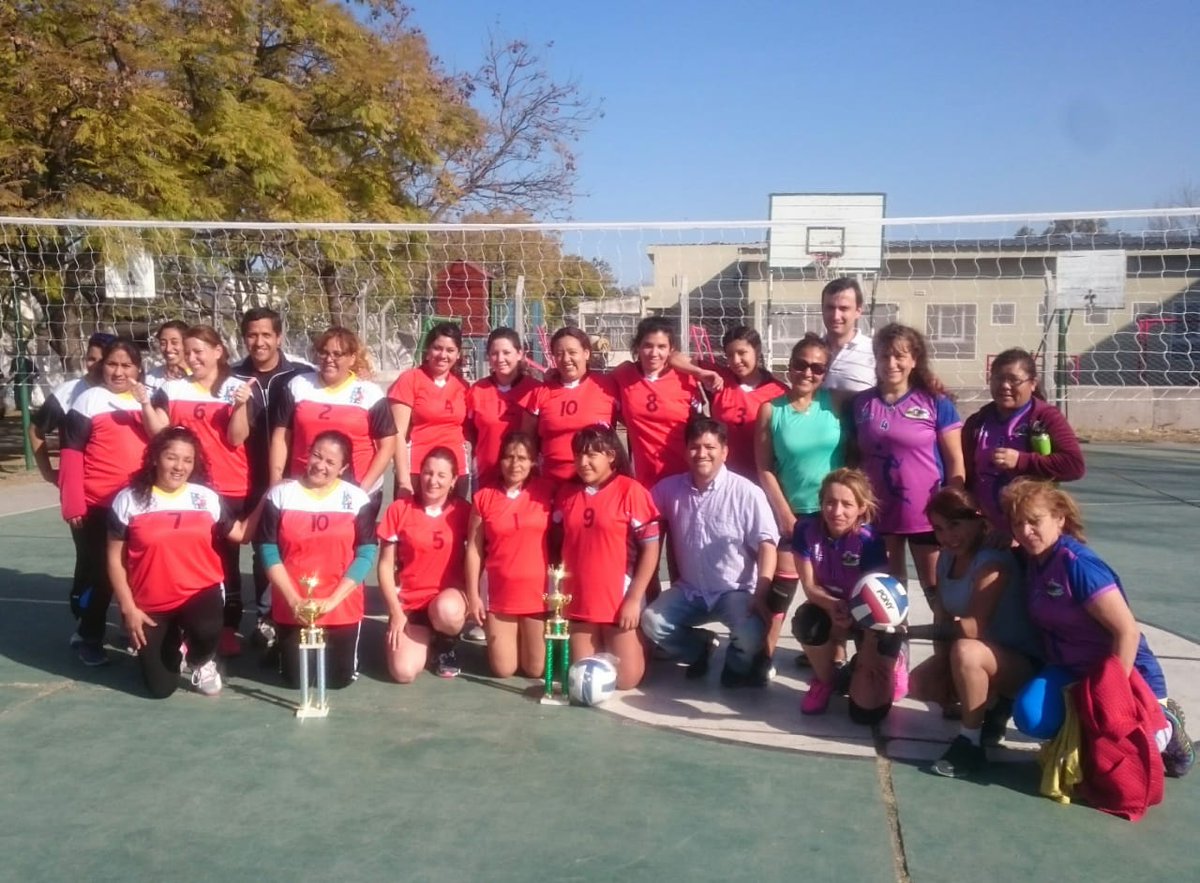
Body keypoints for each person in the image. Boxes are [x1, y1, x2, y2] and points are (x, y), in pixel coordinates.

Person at [1003, 479, 1194, 778]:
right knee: (1032, 716)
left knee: (1126, 756)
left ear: (1059, 519)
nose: (1026, 531)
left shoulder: (1078, 565)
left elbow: (1127, 632)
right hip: (1071, 670)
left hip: (1123, 670)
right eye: (1017, 523)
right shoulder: (1035, 562)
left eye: (1034, 521)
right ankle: (1087, 734)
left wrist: (1113, 692)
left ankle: (1166, 725)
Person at [106, 427, 258, 698]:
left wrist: (268, 498)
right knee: (160, 689)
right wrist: (128, 608)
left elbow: (240, 534)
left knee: (207, 627)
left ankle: (201, 660)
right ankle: (173, 641)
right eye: (171, 457)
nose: (179, 466)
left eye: (188, 460)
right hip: (151, 601)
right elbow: (114, 559)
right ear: (155, 458)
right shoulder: (129, 499)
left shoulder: (205, 498)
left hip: (200, 590)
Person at [906, 487, 1041, 778]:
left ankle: (971, 743)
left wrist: (904, 632)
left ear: (979, 521)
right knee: (922, 683)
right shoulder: (946, 558)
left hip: (1025, 664)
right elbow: (942, 615)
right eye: (939, 528)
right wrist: (942, 666)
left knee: (966, 650)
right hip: (989, 657)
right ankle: (991, 708)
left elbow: (973, 627)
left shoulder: (993, 560)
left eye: (955, 525)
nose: (947, 536)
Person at [640, 418, 776, 686]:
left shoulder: (747, 492)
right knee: (651, 622)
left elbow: (767, 544)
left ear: (725, 451)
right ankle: (699, 648)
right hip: (690, 590)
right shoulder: (669, 489)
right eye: (694, 447)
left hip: (734, 591)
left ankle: (736, 665)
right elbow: (639, 510)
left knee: (750, 633)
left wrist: (760, 594)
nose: (701, 453)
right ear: (685, 452)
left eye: (710, 447)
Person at [145, 325, 254, 656]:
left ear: (218, 351)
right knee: (185, 558)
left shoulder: (238, 388)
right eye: (188, 351)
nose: (192, 358)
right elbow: (160, 434)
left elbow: (236, 438)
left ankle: (227, 627)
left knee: (226, 560)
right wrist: (144, 403)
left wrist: (239, 406)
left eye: (198, 351)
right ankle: (183, 626)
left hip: (229, 486)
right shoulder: (172, 388)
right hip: (187, 488)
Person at [257, 431, 377, 690]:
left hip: (340, 605)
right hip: (294, 604)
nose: (320, 465)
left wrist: (333, 600)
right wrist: (293, 600)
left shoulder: (357, 499)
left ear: (343, 468)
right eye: (316, 455)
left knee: (337, 681)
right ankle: (278, 638)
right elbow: (267, 548)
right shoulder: (281, 494)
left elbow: (366, 553)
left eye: (330, 462)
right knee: (295, 681)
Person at [849, 323, 964, 594]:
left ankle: (944, 625)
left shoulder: (936, 402)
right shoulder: (860, 404)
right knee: (888, 593)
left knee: (937, 591)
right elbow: (854, 458)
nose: (891, 363)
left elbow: (955, 460)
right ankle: (896, 627)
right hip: (878, 512)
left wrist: (952, 508)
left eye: (900, 356)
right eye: (884, 356)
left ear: (914, 360)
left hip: (927, 514)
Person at [755, 333, 847, 671]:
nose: (807, 372)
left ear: (826, 372)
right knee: (780, 592)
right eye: (800, 364)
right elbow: (764, 467)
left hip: (835, 514)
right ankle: (762, 657)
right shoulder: (771, 410)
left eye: (817, 368)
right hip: (793, 513)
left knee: (833, 588)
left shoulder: (837, 403)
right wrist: (785, 515)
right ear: (790, 365)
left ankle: (835, 656)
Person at [59, 339, 151, 666]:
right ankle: (88, 634)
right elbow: (71, 452)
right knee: (101, 575)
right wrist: (73, 502)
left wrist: (145, 404)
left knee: (140, 573)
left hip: (139, 506)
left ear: (138, 368)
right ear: (102, 367)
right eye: (112, 364)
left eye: (127, 365)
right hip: (98, 505)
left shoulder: (149, 398)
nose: (119, 372)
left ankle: (136, 631)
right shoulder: (89, 399)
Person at [552, 426, 661, 690]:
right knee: (581, 676)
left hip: (618, 599)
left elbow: (651, 549)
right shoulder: (566, 494)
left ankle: (642, 643)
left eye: (592, 455)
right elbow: (557, 542)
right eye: (578, 455)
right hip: (579, 601)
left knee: (625, 680)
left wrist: (634, 599)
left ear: (611, 456)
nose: (583, 462)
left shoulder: (631, 491)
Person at [231, 307, 313, 649]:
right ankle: (262, 617)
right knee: (260, 547)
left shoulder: (302, 376)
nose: (259, 341)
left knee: (294, 545)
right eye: (252, 335)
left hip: (294, 479)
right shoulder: (232, 377)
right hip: (248, 478)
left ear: (279, 337)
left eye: (266, 334)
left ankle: (291, 611)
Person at [791, 469, 901, 722]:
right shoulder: (806, 529)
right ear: (821, 503)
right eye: (830, 502)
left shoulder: (869, 541)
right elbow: (810, 587)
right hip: (832, 605)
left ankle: (891, 661)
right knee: (807, 621)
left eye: (847, 504)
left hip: (871, 614)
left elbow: (877, 595)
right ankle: (825, 680)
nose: (836, 511)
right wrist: (833, 606)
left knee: (865, 713)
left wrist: (854, 614)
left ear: (861, 508)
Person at [270, 326, 396, 521]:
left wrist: (362, 490)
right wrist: (276, 481)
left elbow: (387, 446)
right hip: (304, 487)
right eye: (324, 352)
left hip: (355, 488)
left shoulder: (369, 393)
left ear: (352, 358)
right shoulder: (298, 385)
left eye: (337, 354)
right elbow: (281, 438)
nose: (329, 359)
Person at [962, 348, 1085, 535]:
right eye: (998, 378)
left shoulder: (1045, 418)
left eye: (1014, 380)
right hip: (989, 530)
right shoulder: (978, 422)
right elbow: (965, 474)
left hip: (1031, 531)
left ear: (1033, 383)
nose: (1005, 385)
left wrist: (1021, 460)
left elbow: (1074, 465)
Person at [464, 431, 555, 678]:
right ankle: (507, 637)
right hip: (500, 594)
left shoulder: (547, 492)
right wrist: (473, 595)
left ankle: (523, 636)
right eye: (509, 457)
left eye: (522, 458)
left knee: (536, 670)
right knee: (503, 670)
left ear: (533, 461)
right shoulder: (483, 498)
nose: (515, 464)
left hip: (537, 594)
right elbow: (473, 549)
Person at [377, 447, 472, 682]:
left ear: (453, 480)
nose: (433, 480)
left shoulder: (464, 512)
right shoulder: (400, 509)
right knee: (403, 672)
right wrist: (395, 612)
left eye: (441, 475)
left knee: (446, 610)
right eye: (428, 473)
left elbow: (479, 556)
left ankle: (446, 643)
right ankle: (426, 637)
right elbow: (385, 567)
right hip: (411, 604)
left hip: (447, 602)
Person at [611, 317, 703, 488]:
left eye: (661, 347)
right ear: (637, 347)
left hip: (683, 478)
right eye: (648, 345)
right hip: (643, 480)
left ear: (671, 349)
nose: (654, 353)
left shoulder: (686, 379)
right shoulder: (623, 375)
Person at [523, 327, 619, 485]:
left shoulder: (607, 386)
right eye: (559, 354)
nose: (566, 359)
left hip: (597, 486)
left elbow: (634, 422)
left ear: (586, 353)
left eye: (572, 352)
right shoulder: (540, 392)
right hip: (552, 484)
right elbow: (526, 441)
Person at [389, 322, 470, 498]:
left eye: (450, 350)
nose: (443, 355)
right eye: (437, 348)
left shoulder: (463, 387)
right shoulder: (410, 379)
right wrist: (403, 480)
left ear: (458, 354)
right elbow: (397, 435)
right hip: (417, 470)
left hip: (455, 472)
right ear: (428, 350)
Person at [29, 331, 115, 485]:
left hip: (117, 479)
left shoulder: (123, 393)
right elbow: (35, 430)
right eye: (91, 359)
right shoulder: (66, 392)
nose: (96, 365)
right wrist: (47, 472)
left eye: (103, 360)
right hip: (79, 481)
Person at [467, 328, 542, 489]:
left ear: (519, 354)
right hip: (486, 477)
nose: (500, 358)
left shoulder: (535, 390)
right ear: (488, 356)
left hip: (524, 479)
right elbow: (470, 433)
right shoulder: (478, 390)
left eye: (506, 352)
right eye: (494, 353)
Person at [820, 277, 876, 394]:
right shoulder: (811, 352)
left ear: (858, 311)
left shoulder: (875, 352)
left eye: (843, 308)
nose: (836, 316)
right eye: (830, 308)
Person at [143, 320, 190, 388]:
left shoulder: (198, 376)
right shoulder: (152, 377)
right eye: (163, 343)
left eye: (174, 342)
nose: (168, 349)